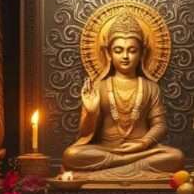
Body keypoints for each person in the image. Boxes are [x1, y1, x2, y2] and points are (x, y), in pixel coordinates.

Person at [62, 13, 184, 181]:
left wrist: (142, 144)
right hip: (106, 150)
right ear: (109, 54)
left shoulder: (151, 87)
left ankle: (110, 171)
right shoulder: (99, 86)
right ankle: (130, 167)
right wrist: (90, 113)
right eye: (118, 50)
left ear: (142, 53)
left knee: (175, 157)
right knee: (72, 155)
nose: (125, 56)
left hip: (143, 151)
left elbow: (160, 125)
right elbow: (86, 132)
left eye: (132, 50)